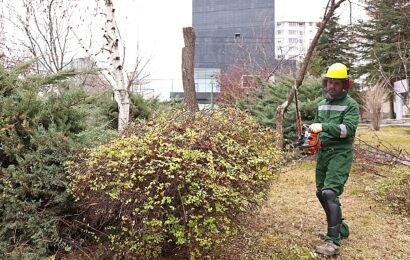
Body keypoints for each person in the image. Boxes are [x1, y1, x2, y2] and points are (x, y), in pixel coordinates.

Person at [308, 63, 359, 256]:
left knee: (330, 192)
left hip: (340, 153)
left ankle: (333, 243)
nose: (331, 86)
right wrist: (310, 140)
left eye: (336, 83)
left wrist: (324, 127)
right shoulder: (322, 104)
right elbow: (316, 128)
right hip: (324, 153)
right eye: (329, 82)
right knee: (321, 193)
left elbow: (348, 130)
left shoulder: (351, 105)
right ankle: (341, 229)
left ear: (345, 85)